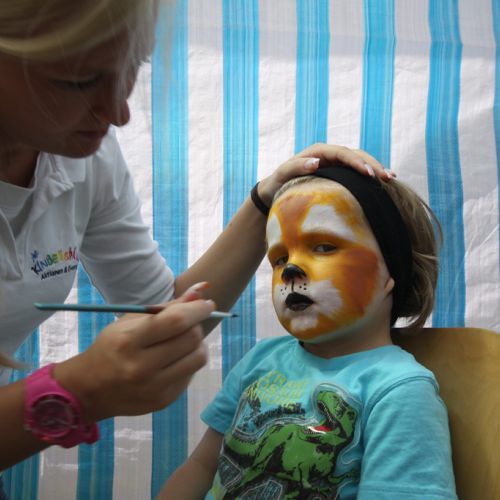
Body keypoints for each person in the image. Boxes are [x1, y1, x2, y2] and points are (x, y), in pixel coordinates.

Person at [0, 0, 390, 476]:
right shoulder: (263, 371)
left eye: (134, 65)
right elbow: (205, 466)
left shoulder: (84, 159)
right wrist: (77, 390)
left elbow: (162, 310)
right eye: (78, 80)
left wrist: (264, 202)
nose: (119, 113)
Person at [158, 166, 458, 499]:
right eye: (279, 258)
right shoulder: (261, 360)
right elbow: (202, 465)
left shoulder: (399, 390)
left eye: (324, 247)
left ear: (393, 270)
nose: (290, 269)